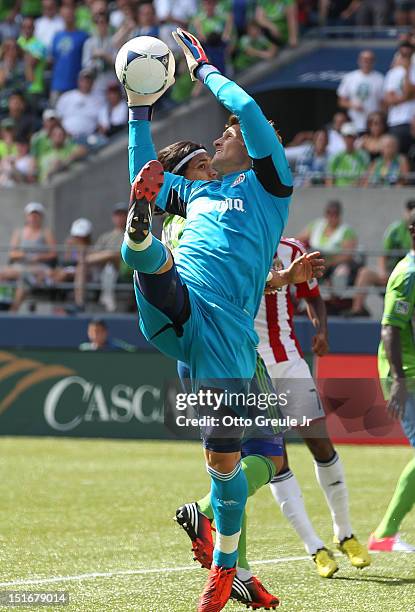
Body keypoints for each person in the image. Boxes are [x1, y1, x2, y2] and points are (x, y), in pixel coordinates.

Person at [120, 27, 293, 612]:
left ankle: (226, 572)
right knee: (152, 257)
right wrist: (138, 113)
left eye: (228, 133)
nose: (221, 134)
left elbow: (246, 108)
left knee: (223, 465)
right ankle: (141, 238)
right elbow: (142, 173)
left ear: (254, 142)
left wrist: (204, 71)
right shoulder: (199, 196)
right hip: (181, 302)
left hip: (222, 336)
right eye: (217, 133)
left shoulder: (270, 185)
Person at [158, 139, 326, 605]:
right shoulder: (201, 214)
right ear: (180, 177)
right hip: (230, 350)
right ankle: (204, 512)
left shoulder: (182, 221)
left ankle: (241, 574)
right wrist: (280, 279)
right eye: (203, 166)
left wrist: (282, 280)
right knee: (269, 459)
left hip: (198, 349)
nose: (212, 173)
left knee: (228, 462)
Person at [368, 208, 415, 552]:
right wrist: (398, 378)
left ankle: (385, 533)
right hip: (408, 376)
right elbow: (389, 329)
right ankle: (384, 534)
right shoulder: (408, 274)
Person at [346, 200, 415, 317]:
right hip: (393, 275)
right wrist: (383, 272)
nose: (411, 213)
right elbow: (383, 254)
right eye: (409, 209)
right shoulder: (395, 230)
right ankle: (357, 309)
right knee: (365, 273)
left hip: (410, 280)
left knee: (401, 314)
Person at [0, 202, 56, 311]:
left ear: (41, 217)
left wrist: (38, 257)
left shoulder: (46, 232)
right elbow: (12, 253)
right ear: (27, 216)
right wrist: (24, 255)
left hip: (38, 267)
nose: (33, 218)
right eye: (31, 215)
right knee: (3, 274)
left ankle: (12, 311)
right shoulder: (18, 232)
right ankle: (4, 304)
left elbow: (53, 253)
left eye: (36, 215)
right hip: (20, 266)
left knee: (23, 283)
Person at [297, 200, 359, 293]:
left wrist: (327, 262)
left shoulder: (346, 231)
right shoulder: (316, 225)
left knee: (341, 272)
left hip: (334, 265)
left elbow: (347, 255)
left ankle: (334, 296)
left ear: (339, 214)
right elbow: (298, 241)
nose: (332, 216)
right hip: (314, 262)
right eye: (329, 213)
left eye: (335, 213)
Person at [337, 50, 384, 135]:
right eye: (364, 59)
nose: (366, 61)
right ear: (359, 61)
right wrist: (352, 104)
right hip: (353, 124)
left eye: (370, 59)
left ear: (374, 62)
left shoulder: (380, 79)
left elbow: (383, 103)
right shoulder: (350, 77)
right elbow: (341, 101)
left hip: (372, 127)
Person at [50, 4, 89, 100]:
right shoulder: (57, 36)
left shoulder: (83, 36)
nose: (68, 17)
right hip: (57, 86)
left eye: (70, 14)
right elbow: (53, 59)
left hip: (75, 86)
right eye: (66, 14)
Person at [383, 41, 415, 154]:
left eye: (408, 54)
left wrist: (407, 71)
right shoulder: (392, 73)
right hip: (396, 122)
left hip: (413, 121)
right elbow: (388, 99)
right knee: (398, 157)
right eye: (403, 54)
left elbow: (410, 92)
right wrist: (407, 97)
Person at [55, 69, 100, 143]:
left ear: (92, 83)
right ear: (79, 82)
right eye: (83, 81)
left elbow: (101, 122)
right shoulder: (67, 97)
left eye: (88, 81)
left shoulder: (98, 100)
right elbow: (57, 118)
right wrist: (64, 133)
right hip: (66, 137)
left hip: (89, 138)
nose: (85, 83)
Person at [326, 122, 369, 187]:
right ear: (343, 138)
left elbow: (366, 178)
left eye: (351, 137)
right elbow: (329, 180)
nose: (348, 139)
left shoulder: (363, 156)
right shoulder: (335, 157)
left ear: (355, 138)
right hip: (338, 193)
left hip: (358, 193)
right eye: (346, 137)